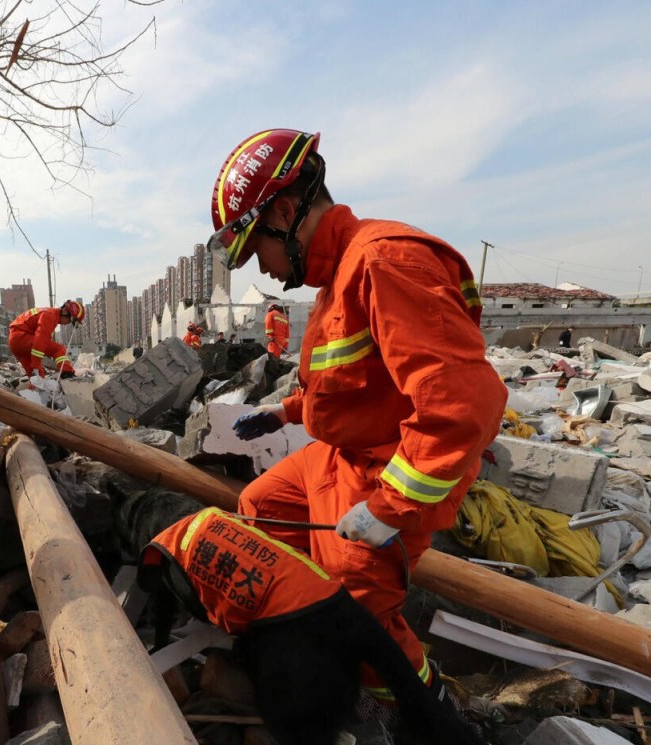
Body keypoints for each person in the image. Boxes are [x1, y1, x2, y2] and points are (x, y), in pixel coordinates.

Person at [207, 129, 506, 706]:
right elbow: (354, 387)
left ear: (287, 213)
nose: (260, 269)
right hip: (340, 454)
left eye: (256, 250)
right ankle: (306, 623)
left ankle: (421, 714)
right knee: (261, 507)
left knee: (361, 619)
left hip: (388, 472)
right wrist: (285, 411)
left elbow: (463, 407)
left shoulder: (384, 262)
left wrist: (388, 509)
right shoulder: (334, 279)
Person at [8, 300, 84, 379]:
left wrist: (36, 370)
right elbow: (40, 342)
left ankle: (34, 388)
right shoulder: (49, 316)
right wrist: (36, 366)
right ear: (64, 311)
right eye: (70, 320)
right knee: (59, 349)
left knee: (38, 379)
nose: (68, 323)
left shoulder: (49, 314)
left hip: (15, 342)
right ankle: (67, 373)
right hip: (22, 338)